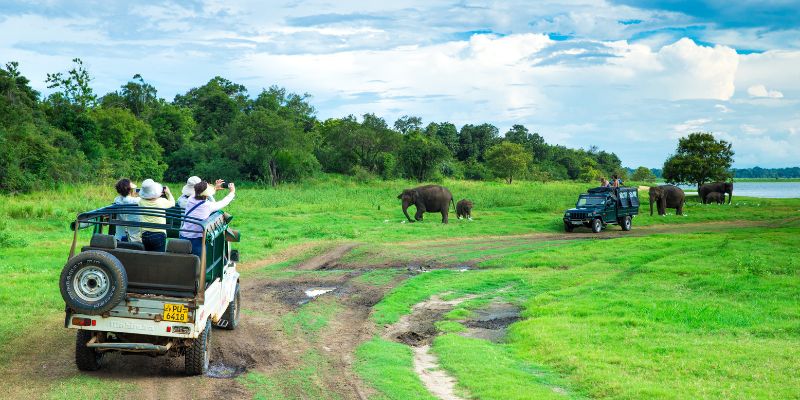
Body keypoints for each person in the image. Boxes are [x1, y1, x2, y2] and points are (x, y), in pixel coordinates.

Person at [179, 180, 236, 258]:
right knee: (197, 263)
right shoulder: (208, 205)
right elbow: (224, 202)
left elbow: (201, 193)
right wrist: (232, 192)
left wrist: (215, 188)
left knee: (182, 261)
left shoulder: (190, 199)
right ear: (207, 194)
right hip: (197, 239)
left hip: (183, 235)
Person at [138, 178, 175, 252]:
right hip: (159, 234)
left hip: (145, 234)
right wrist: (168, 193)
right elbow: (172, 203)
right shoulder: (161, 201)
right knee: (159, 258)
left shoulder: (141, 202)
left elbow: (144, 198)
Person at [112, 178, 141, 242]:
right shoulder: (138, 200)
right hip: (135, 239)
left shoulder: (116, 200)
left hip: (119, 238)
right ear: (130, 190)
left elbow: (125, 199)